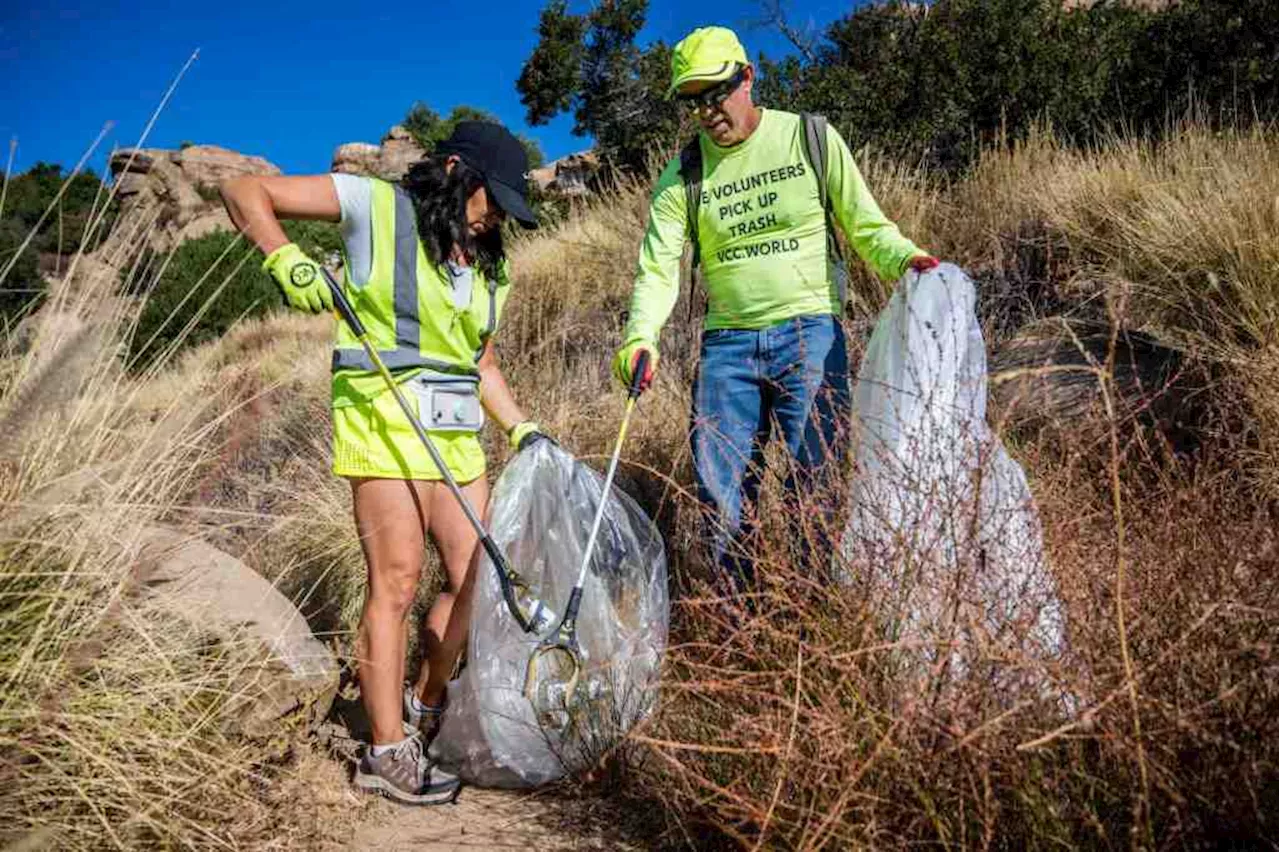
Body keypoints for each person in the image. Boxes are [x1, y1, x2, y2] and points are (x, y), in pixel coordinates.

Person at [220, 121, 549, 805]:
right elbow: (243, 188)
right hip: (381, 421)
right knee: (396, 582)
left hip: (455, 437)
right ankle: (386, 750)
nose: (497, 221)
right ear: (459, 171)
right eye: (494, 201)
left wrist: (521, 428)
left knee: (475, 580)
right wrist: (282, 256)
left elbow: (480, 360)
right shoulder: (376, 205)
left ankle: (426, 698)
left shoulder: (493, 265)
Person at [612, 26, 939, 592]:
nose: (708, 111)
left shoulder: (808, 137)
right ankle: (739, 622)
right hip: (727, 351)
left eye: (717, 92)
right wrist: (639, 337)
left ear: (748, 77)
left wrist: (910, 261)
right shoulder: (681, 177)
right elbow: (658, 268)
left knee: (816, 482)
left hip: (810, 336)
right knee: (721, 493)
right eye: (694, 102)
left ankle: (812, 612)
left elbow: (866, 225)